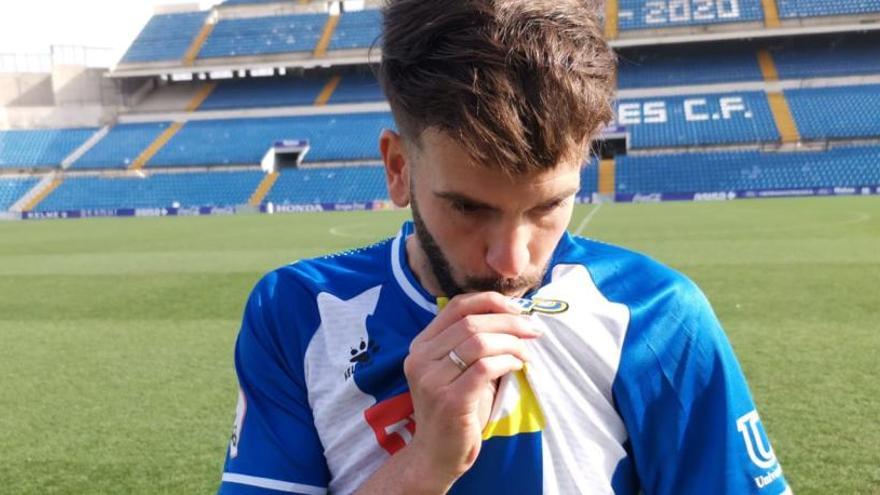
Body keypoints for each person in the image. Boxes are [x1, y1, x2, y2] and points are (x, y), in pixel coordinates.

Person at [217, 0, 791, 493]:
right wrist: (423, 468)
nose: (512, 263)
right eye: (468, 207)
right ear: (398, 168)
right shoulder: (296, 311)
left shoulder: (658, 316)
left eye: (547, 207)